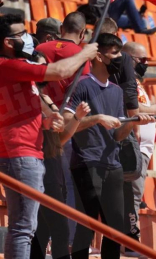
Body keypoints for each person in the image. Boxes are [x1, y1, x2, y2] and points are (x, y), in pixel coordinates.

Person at [0, 13, 97, 259]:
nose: (28, 38)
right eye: (22, 34)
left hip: (25, 153)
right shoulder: (9, 65)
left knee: (23, 226)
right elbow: (59, 70)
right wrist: (85, 53)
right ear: (8, 43)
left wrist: (46, 121)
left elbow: (14, 111)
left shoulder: (18, 73)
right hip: (21, 154)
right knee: (24, 228)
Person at [63, 33, 154, 259]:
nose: (118, 58)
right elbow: (66, 123)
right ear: (99, 56)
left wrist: (133, 123)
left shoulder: (117, 90)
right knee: (86, 226)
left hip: (113, 165)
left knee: (115, 230)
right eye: (114, 53)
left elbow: (117, 135)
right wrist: (95, 118)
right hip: (86, 163)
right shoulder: (81, 85)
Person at [30, 51, 92, 259]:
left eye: (44, 66)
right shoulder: (26, 98)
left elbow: (61, 139)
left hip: (54, 166)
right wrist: (44, 122)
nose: (43, 72)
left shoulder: (44, 96)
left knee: (44, 230)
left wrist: (76, 118)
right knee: (58, 229)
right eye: (38, 66)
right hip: (37, 166)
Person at [122, 41, 156, 257]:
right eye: (141, 59)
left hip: (142, 149)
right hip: (133, 146)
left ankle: (130, 242)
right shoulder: (124, 78)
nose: (145, 63)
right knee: (132, 196)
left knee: (134, 195)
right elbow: (133, 107)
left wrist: (154, 109)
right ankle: (131, 243)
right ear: (128, 58)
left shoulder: (137, 81)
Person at [89, 0, 156, 35]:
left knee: (142, 21)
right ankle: (140, 30)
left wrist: (137, 14)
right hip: (100, 12)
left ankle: (139, 25)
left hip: (110, 14)